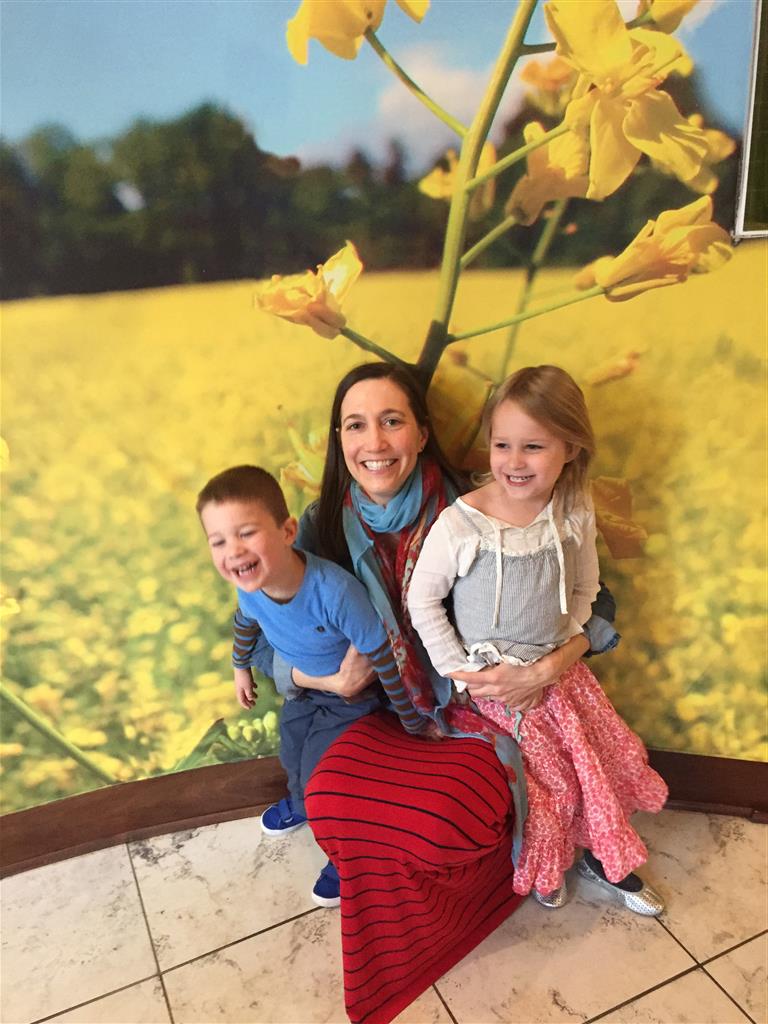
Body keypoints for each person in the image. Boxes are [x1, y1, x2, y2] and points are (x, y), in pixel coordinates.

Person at [246, 361, 622, 1024]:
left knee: (448, 819)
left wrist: (547, 668)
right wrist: (318, 679)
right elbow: (269, 633)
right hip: (359, 706)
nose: (374, 442)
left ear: (422, 433)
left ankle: (444, 873)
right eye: (355, 426)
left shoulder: (479, 506)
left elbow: (592, 601)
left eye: (392, 421)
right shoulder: (319, 527)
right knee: (332, 799)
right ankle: (357, 854)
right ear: (339, 440)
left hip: (464, 706)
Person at [407, 365, 668, 913]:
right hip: (495, 691)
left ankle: (601, 853)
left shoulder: (573, 510)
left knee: (598, 764)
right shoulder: (464, 524)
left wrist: (559, 649)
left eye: (533, 447)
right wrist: (465, 675)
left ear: (570, 448)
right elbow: (422, 601)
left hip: (561, 679)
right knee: (550, 788)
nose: (514, 462)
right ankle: (548, 865)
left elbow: (586, 586)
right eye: (502, 445)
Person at [196, 464, 409, 908]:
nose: (233, 552)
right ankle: (300, 803)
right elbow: (245, 624)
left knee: (320, 774)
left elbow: (382, 652)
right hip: (305, 692)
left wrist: (408, 718)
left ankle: (344, 859)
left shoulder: (333, 592)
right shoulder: (249, 587)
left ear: (288, 531)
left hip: (351, 700)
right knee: (290, 749)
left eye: (246, 533)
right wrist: (240, 668)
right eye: (218, 541)